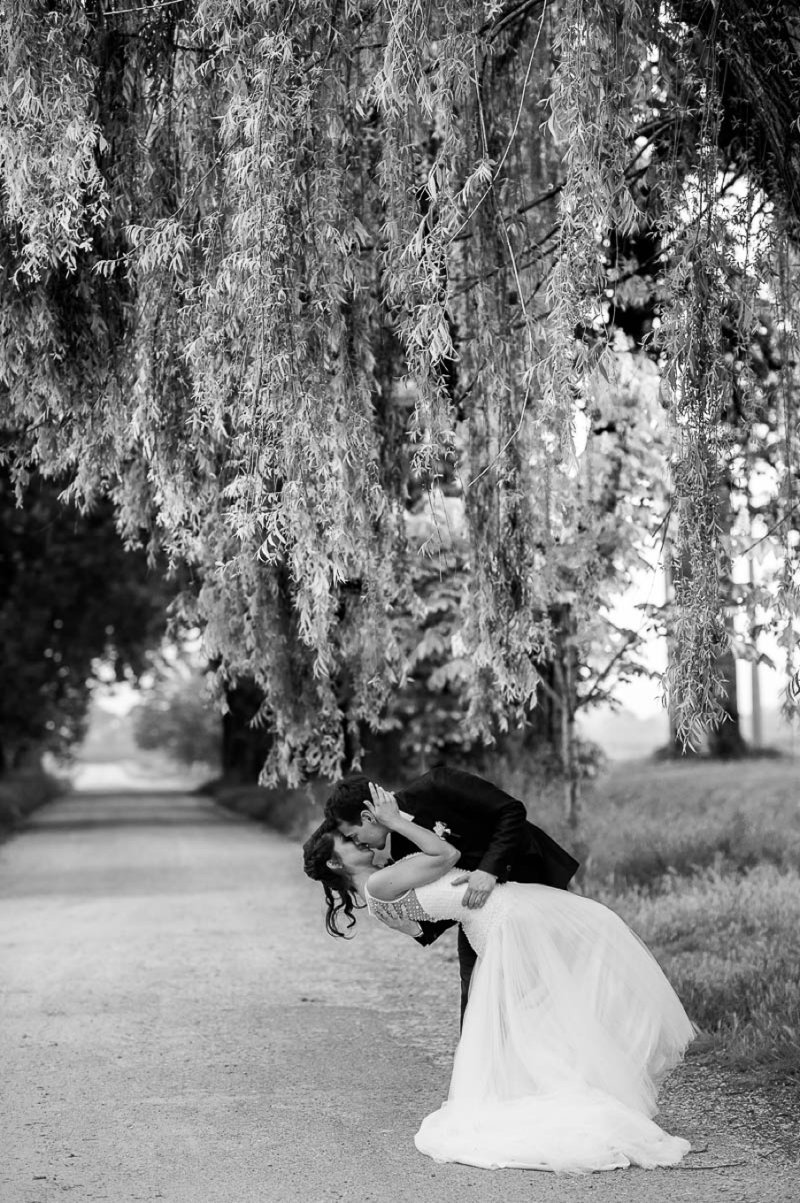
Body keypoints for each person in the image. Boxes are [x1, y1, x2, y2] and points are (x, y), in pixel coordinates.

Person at [303, 785, 695, 1173]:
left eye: (353, 833)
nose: (357, 839)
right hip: (503, 921)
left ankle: (561, 1093)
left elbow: (427, 913)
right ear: (337, 864)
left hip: (500, 918)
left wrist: (397, 831)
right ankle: (567, 1098)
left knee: (537, 1013)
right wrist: (394, 822)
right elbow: (447, 854)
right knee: (546, 1008)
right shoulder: (376, 885)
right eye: (348, 841)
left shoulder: (383, 881)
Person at [320, 765, 579, 1022]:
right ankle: (481, 1062)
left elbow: (511, 811)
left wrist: (489, 870)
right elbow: (446, 898)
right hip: (479, 915)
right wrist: (415, 930)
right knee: (474, 988)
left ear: (367, 816)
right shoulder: (402, 847)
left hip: (531, 882)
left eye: (354, 835)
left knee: (545, 984)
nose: (358, 843)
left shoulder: (439, 784)